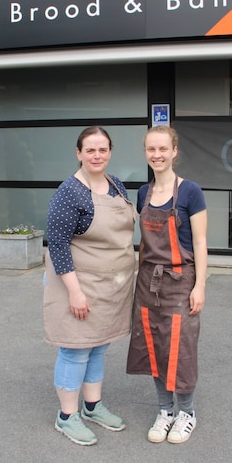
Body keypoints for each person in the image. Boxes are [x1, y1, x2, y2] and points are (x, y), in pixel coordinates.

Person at [43, 126, 137, 446]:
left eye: (103, 149)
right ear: (79, 153)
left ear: (110, 152)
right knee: (75, 349)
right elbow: (57, 245)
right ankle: (67, 416)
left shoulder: (116, 184)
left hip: (110, 286)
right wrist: (75, 292)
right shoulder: (70, 192)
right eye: (90, 150)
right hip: (78, 283)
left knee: (99, 345)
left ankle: (93, 406)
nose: (97, 155)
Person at [127, 125, 207, 444]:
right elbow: (143, 243)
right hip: (148, 282)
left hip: (180, 280)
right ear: (145, 153)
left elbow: (200, 243)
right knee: (155, 345)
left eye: (163, 149)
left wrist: (199, 286)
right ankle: (165, 410)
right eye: (151, 149)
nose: (157, 155)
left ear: (174, 151)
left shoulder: (190, 192)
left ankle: (186, 413)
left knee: (181, 348)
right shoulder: (143, 193)